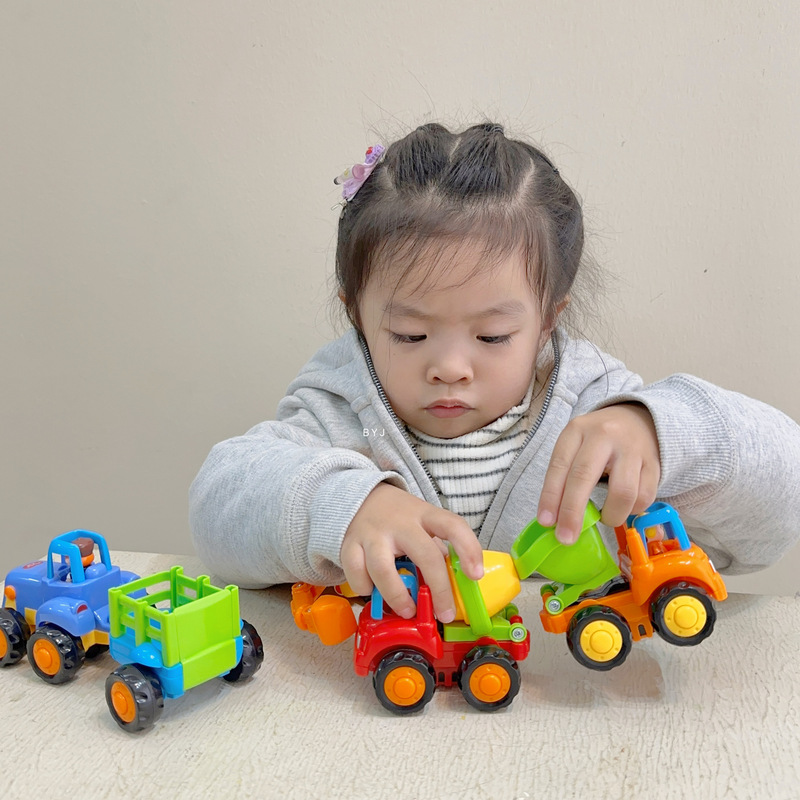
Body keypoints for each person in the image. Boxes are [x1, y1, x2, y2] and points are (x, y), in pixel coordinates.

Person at [189, 122, 800, 623]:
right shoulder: (339, 415)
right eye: (409, 335)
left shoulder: (596, 411)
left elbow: (781, 504)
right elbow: (217, 510)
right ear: (358, 316)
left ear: (548, 320)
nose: (450, 368)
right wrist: (344, 507)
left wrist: (664, 432)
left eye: (492, 337)